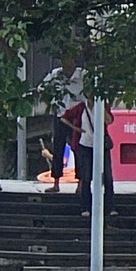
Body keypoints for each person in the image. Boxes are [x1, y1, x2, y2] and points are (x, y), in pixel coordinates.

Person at [62, 99, 116, 213]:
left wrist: (101, 109)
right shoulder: (81, 107)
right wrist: (76, 129)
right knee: (85, 177)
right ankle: (85, 207)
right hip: (85, 145)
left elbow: (109, 121)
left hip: (102, 145)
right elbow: (64, 118)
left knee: (107, 177)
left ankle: (110, 207)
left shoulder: (102, 105)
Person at [42, 56, 86, 190]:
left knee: (78, 149)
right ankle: (56, 182)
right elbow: (42, 88)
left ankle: (81, 183)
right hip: (60, 115)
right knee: (58, 148)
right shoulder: (56, 74)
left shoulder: (83, 75)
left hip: (77, 117)